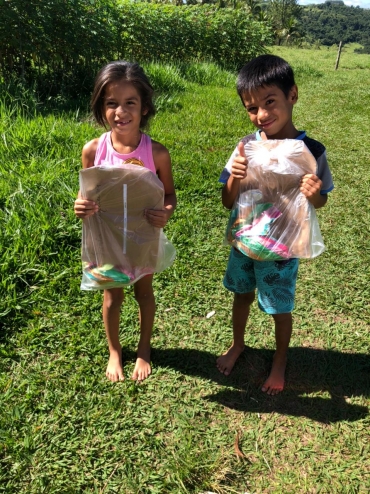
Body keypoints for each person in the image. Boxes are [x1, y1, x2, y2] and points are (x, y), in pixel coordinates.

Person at [217, 54, 334, 395]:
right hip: (244, 241)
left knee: (279, 309)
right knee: (241, 296)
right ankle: (238, 343)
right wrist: (234, 179)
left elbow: (320, 199)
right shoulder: (246, 148)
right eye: (252, 108)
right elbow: (228, 201)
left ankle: (279, 360)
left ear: (292, 95)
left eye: (270, 102)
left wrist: (315, 195)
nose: (262, 115)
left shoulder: (310, 150)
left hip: (282, 248)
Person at [74, 61, 176, 382]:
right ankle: (115, 351)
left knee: (144, 293)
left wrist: (167, 211)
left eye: (130, 102)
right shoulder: (93, 150)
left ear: (144, 107)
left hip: (142, 238)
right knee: (112, 297)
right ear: (101, 108)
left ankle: (144, 349)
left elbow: (170, 194)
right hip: (106, 242)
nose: (121, 111)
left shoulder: (156, 153)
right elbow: (86, 195)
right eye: (111, 103)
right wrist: (81, 206)